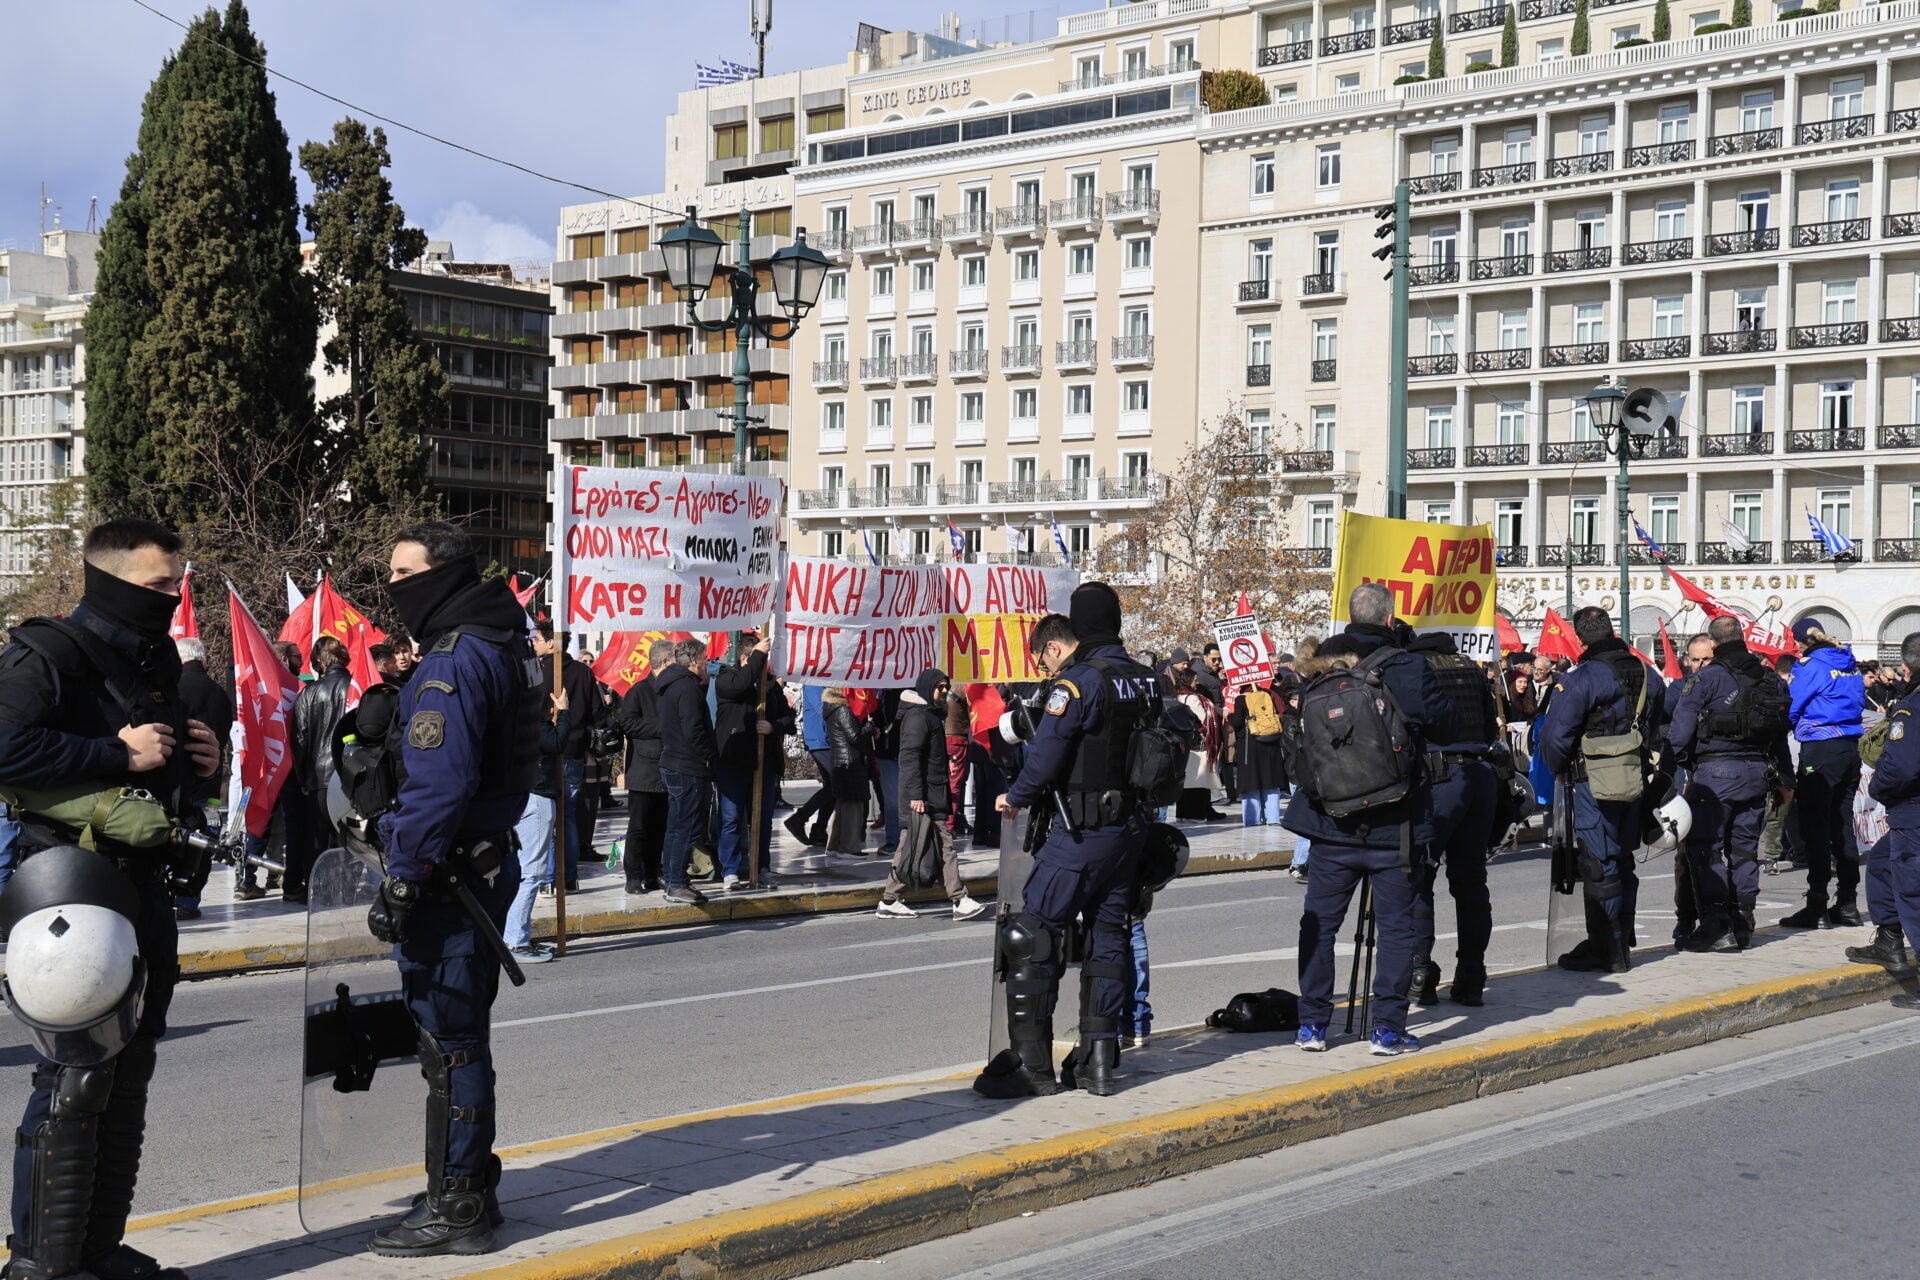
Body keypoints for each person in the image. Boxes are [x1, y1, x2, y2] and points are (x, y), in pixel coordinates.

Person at [0, 517, 222, 1280]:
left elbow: (158, 775)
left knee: (130, 1072)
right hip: (67, 888)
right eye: (159, 585)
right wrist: (113, 752)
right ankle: (41, 1262)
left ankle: (99, 1248)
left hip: (142, 885)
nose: (171, 597)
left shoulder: (156, 656)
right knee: (75, 1075)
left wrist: (202, 764)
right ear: (115, 580)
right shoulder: (45, 653)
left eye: (175, 583)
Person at [362, 522, 541, 1256]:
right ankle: (464, 1179)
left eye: (405, 573)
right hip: (485, 858)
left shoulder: (456, 659)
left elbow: (439, 784)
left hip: (451, 873)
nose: (396, 586)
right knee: (461, 1036)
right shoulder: (503, 638)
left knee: (450, 1043)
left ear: (444, 575)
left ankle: (458, 1202)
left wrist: (403, 875)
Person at [975, 585, 1158, 1099]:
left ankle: (1032, 1067)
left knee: (1030, 935)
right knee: (1108, 938)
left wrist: (1015, 796)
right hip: (1129, 834)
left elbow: (1047, 755)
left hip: (1081, 831)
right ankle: (1099, 1061)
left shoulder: (1077, 685)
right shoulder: (1145, 679)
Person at [1284, 585, 1453, 1056]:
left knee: (1319, 923)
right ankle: (1387, 1029)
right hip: (1394, 822)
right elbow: (1442, 720)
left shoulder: (1319, 662)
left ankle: (1313, 1024)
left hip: (1330, 824)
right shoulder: (1404, 663)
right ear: (1390, 617)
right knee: (1398, 928)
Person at [1538, 606, 1667, 973]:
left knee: (1599, 863)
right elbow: (1657, 724)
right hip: (1634, 777)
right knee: (1623, 858)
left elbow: (1555, 735)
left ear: (1580, 637)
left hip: (1591, 779)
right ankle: (1620, 940)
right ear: (1610, 629)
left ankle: (1606, 949)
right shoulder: (1647, 672)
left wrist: (1558, 768)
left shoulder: (1583, 677)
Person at [1664, 615, 1793, 953]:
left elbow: (1679, 734)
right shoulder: (1769, 678)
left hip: (1715, 774)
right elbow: (1780, 732)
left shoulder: (1707, 679)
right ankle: (1743, 922)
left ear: (1715, 644)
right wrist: (1785, 778)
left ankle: (1717, 924)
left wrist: (1671, 773)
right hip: (1758, 774)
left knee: (1705, 849)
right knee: (1743, 850)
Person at [1407, 631, 1500, 1007]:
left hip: (1438, 780)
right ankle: (1472, 976)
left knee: (1419, 878)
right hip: (1480, 776)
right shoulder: (1472, 670)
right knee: (1472, 883)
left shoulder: (1416, 669)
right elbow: (1491, 727)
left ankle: (1420, 976)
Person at [878, 668, 986, 920]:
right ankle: (959, 899)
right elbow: (909, 757)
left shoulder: (929, 715)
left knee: (917, 846)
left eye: (946, 687)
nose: (945, 692)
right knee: (938, 845)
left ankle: (890, 899)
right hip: (924, 796)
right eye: (940, 688)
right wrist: (916, 795)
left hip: (931, 793)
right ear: (928, 688)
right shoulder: (918, 717)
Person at [1779, 619, 1865, 928]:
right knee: (1843, 824)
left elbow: (1790, 707)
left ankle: (1816, 905)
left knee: (1814, 826)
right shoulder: (1849, 663)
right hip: (1849, 748)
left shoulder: (1811, 666)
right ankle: (1848, 901)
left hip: (1820, 747)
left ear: (1801, 642)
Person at [1858, 633, 1920, 1000]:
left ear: (1908, 669)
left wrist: (1879, 787)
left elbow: (1900, 767)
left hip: (1913, 811)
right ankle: (1889, 939)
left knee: (1913, 892)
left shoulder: (1910, 708)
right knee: (1881, 861)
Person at [714, 635, 794, 890]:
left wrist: (773, 726)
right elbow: (740, 686)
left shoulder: (770, 685)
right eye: (758, 657)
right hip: (733, 762)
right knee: (731, 817)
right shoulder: (727, 678)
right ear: (745, 658)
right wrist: (758, 656)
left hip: (763, 763)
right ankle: (730, 869)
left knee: (762, 819)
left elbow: (789, 719)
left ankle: (761, 867)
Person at [532, 621, 602, 893]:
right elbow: (597, 713)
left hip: (550, 751)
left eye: (537, 639)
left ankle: (552, 878)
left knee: (550, 818)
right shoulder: (584, 673)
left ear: (552, 642)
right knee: (567, 816)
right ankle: (569, 876)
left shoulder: (537, 672)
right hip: (573, 751)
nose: (534, 644)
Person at [289, 634, 355, 906]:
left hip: (319, 775)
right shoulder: (356, 687)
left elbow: (301, 739)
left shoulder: (310, 693)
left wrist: (303, 776)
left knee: (317, 838)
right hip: (351, 774)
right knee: (351, 836)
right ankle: (348, 892)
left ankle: (319, 892)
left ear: (319, 661)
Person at [504, 686, 568, 964]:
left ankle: (512, 936)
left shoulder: (510, 721)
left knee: (521, 870)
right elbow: (556, 743)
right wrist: (564, 714)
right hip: (536, 797)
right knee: (532, 872)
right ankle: (516, 941)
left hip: (519, 796)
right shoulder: (530, 722)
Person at [172, 636, 234, 922]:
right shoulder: (219, 693)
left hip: (178, 783)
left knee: (175, 837)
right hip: (210, 783)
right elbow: (222, 735)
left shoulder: (172, 690)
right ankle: (189, 898)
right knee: (204, 843)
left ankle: (171, 893)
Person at [655, 637, 716, 905]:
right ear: (693, 661)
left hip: (674, 763)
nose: (706, 663)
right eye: (704, 659)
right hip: (687, 766)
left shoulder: (672, 684)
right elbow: (694, 730)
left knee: (676, 826)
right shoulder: (687, 688)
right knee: (685, 827)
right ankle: (677, 883)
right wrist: (710, 757)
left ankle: (672, 877)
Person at [616, 640, 674, 895]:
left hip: (668, 766)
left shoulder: (672, 690)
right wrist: (662, 728)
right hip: (643, 769)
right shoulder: (639, 691)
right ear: (663, 662)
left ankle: (654, 873)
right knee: (639, 826)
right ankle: (632, 876)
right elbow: (627, 723)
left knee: (661, 826)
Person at [1229, 671, 1291, 827]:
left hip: (1250, 744)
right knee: (1271, 780)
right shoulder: (1268, 695)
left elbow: (1237, 722)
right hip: (1271, 742)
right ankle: (1273, 817)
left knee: (1251, 780)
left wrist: (1229, 716)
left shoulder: (1241, 699)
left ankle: (1253, 819)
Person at [822, 686, 871, 856]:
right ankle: (849, 848)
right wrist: (869, 728)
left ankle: (834, 846)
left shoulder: (831, 707)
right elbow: (854, 737)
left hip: (840, 760)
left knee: (842, 806)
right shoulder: (843, 709)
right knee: (853, 806)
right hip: (850, 762)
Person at [781, 685, 832, 847]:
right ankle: (800, 819)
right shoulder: (813, 681)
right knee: (835, 785)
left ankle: (818, 829)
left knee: (833, 787)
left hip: (826, 739)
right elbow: (823, 709)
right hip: (819, 739)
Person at [1172, 668, 1224, 822]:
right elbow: (1204, 718)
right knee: (1199, 781)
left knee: (1186, 781)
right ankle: (1197, 813)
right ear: (1188, 681)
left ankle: (1183, 813)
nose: (1198, 682)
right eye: (1195, 679)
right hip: (1198, 744)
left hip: (1185, 743)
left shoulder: (1178, 696)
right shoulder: (1193, 699)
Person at [945, 685, 973, 837]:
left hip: (942, 737)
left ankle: (948, 823)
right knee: (954, 785)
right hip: (956, 740)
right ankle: (949, 826)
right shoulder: (963, 685)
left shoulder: (940, 684)